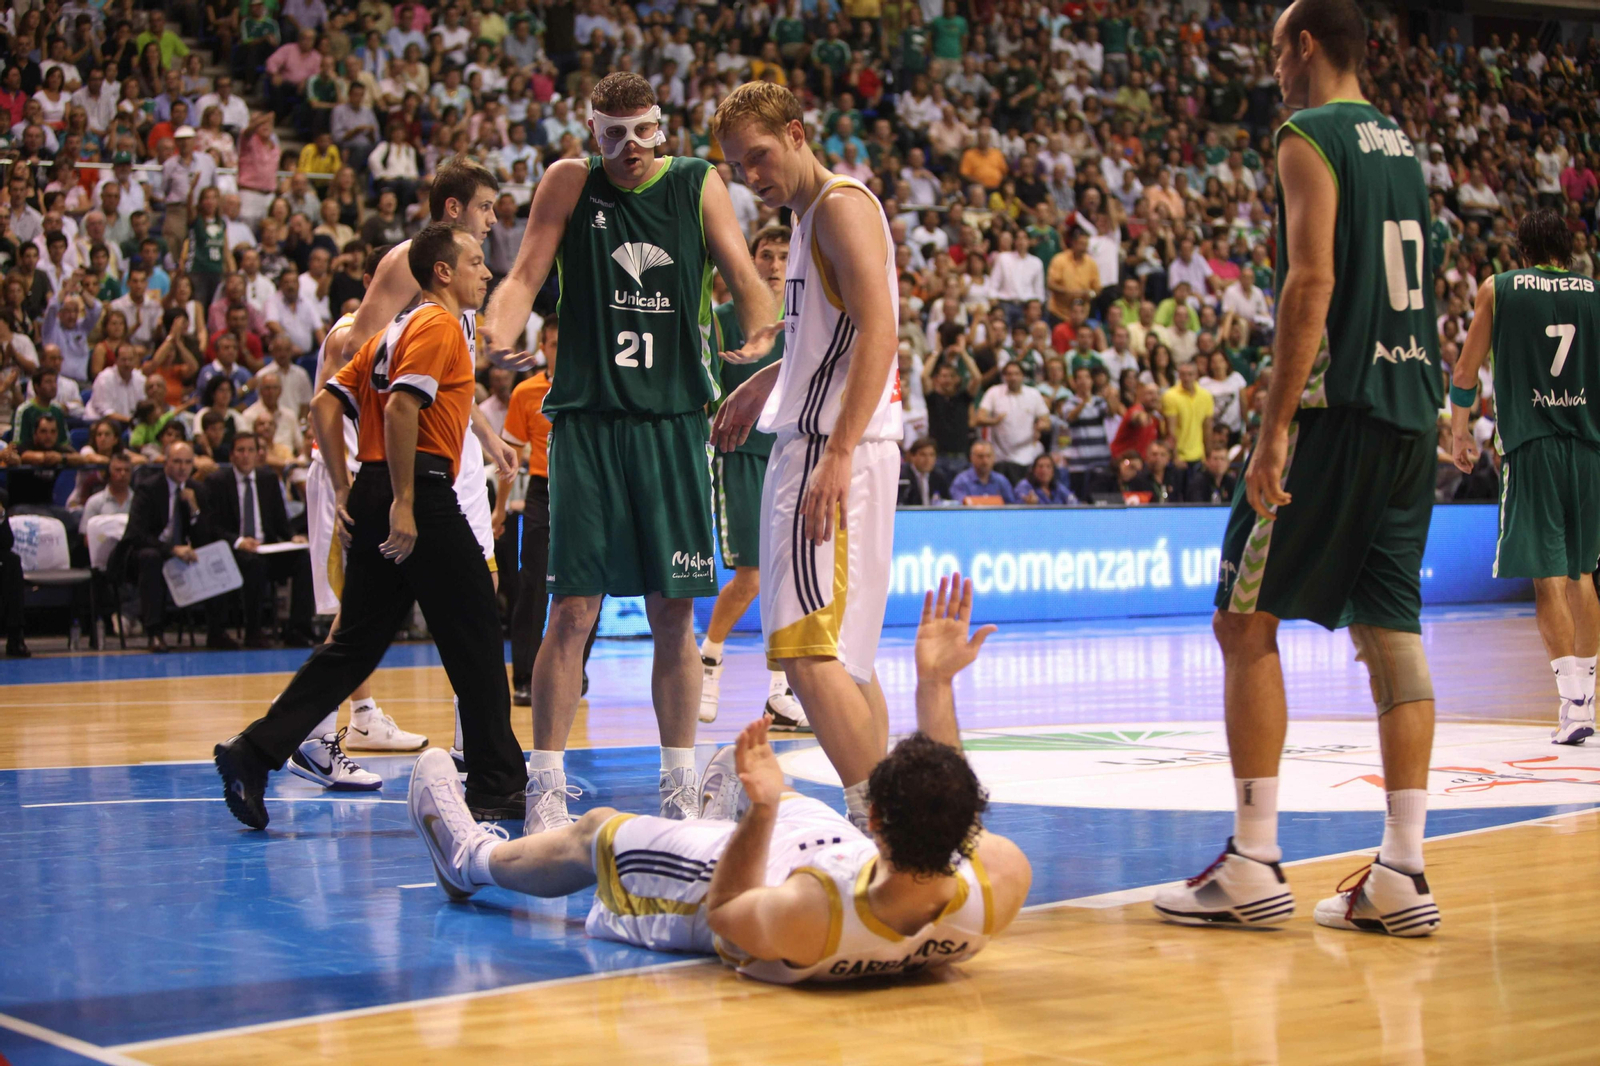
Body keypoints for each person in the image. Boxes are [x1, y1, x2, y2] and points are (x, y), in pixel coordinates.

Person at [1155, 0, 1443, 939]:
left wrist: (1275, 426)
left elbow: (1311, 279)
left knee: (1243, 621)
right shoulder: (1403, 144)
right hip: (1410, 414)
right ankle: (1402, 870)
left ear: (1307, 46)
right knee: (1391, 631)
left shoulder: (1306, 135)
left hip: (1336, 410)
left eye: (1278, 48)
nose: (1272, 65)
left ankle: (1253, 857)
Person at [405, 575, 1031, 986]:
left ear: (873, 820)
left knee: (595, 833)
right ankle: (718, 814)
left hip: (737, 886)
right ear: (964, 834)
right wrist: (935, 685)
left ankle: (469, 859)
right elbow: (947, 803)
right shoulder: (995, 880)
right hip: (838, 858)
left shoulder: (810, 919)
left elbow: (729, 913)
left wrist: (758, 816)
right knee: (774, 787)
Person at [480, 73, 776, 832]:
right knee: (571, 609)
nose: (628, 148)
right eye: (611, 134)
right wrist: (494, 334)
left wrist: (764, 339)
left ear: (662, 127)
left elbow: (746, 278)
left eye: (640, 131)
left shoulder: (698, 183)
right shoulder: (569, 182)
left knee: (673, 612)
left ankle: (678, 783)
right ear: (591, 132)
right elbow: (523, 275)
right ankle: (545, 785)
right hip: (588, 421)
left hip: (675, 423)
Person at [213, 225, 529, 830]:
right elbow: (404, 407)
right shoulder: (437, 326)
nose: (486, 273)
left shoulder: (388, 332)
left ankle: (252, 753)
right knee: (478, 635)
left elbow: (323, 408)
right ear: (442, 272)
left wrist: (345, 486)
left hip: (377, 484)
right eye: (475, 262)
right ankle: (497, 784)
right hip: (421, 492)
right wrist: (406, 502)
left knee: (354, 644)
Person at [709, 81, 902, 835]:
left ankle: (876, 828)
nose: (750, 174)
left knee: (806, 653)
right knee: (844, 662)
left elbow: (881, 332)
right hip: (836, 438)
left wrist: (837, 450)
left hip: (832, 448)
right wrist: (768, 381)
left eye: (758, 155)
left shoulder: (840, 208)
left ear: (796, 133)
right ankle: (892, 822)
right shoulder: (812, 215)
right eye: (736, 165)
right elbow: (833, 338)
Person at [325, 160, 526, 780]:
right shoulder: (409, 261)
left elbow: (450, 377)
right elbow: (353, 347)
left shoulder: (463, 283)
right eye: (486, 207)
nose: (494, 220)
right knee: (368, 610)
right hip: (405, 454)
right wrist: (374, 468)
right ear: (453, 209)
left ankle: (475, 745)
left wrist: (489, 437)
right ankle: (312, 733)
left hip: (453, 449)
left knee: (476, 592)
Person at [1449, 209, 1600, 745]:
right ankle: (1588, 697)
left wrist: (1460, 432)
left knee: (1547, 578)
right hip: (1587, 447)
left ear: (1522, 249)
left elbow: (1466, 371)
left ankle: (1573, 706)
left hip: (1532, 446)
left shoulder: (1499, 288)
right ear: (1568, 248)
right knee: (1583, 575)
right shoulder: (1594, 292)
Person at [292, 247, 428, 792]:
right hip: (341, 478)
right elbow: (324, 406)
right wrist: (344, 484)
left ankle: (363, 713)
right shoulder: (353, 328)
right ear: (375, 282)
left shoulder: (401, 329)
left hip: (362, 479)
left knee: (365, 609)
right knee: (350, 615)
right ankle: (314, 736)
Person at [699, 224, 804, 730]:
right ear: (751, 259)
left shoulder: (804, 321)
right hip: (739, 454)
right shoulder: (721, 320)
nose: (776, 264)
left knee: (786, 579)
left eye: (785, 255)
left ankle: (780, 692)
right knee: (752, 577)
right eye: (767, 254)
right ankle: (710, 659)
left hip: (791, 453)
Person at [500, 319, 598, 709]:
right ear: (543, 345)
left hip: (588, 490)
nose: (560, 350)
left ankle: (576, 665)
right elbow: (511, 453)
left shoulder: (592, 384)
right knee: (533, 583)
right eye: (554, 343)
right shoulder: (526, 392)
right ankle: (523, 675)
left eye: (566, 343)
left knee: (592, 585)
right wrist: (499, 508)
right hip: (543, 489)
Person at [113, 440, 234, 652]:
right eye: (177, 461)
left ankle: (217, 632)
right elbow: (137, 534)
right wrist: (171, 549)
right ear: (166, 462)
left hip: (183, 554)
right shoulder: (148, 488)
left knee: (216, 554)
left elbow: (206, 536)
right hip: (145, 554)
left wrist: (194, 509)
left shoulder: (198, 490)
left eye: (188, 463)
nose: (182, 467)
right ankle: (155, 633)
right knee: (151, 558)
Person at [202, 432, 316, 650]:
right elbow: (212, 526)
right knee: (254, 564)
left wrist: (293, 536)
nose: (246, 456)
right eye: (240, 450)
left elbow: (281, 520)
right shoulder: (217, 481)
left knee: (303, 560)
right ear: (232, 455)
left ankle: (298, 630)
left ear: (258, 454)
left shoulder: (268, 479)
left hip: (267, 547)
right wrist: (239, 541)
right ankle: (253, 631)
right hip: (234, 550)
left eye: (250, 450)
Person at [974, 360, 1051, 485]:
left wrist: (1041, 425)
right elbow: (979, 418)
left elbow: (1046, 420)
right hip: (1000, 458)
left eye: (1016, 374)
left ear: (1023, 376)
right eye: (1009, 374)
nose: (1013, 377)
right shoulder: (994, 392)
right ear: (1004, 377)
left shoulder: (1033, 394)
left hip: (1026, 457)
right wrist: (994, 421)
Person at [1162, 360, 1215, 464]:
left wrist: (1208, 455)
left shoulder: (1206, 396)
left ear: (1196, 375)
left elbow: (1207, 428)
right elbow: (1170, 430)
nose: (1186, 378)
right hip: (1180, 457)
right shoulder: (1170, 396)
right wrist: (1175, 456)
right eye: (1183, 375)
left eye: (1190, 374)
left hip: (1199, 455)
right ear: (1179, 376)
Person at [948, 440, 1014, 503]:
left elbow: (1011, 506)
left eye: (988, 456)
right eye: (980, 456)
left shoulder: (1001, 481)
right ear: (971, 458)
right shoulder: (961, 481)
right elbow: (959, 506)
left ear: (994, 458)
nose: (985, 461)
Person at [898, 436, 951, 506]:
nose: (928, 460)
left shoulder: (939, 476)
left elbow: (948, 501)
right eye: (923, 455)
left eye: (931, 455)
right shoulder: (902, 477)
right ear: (912, 456)